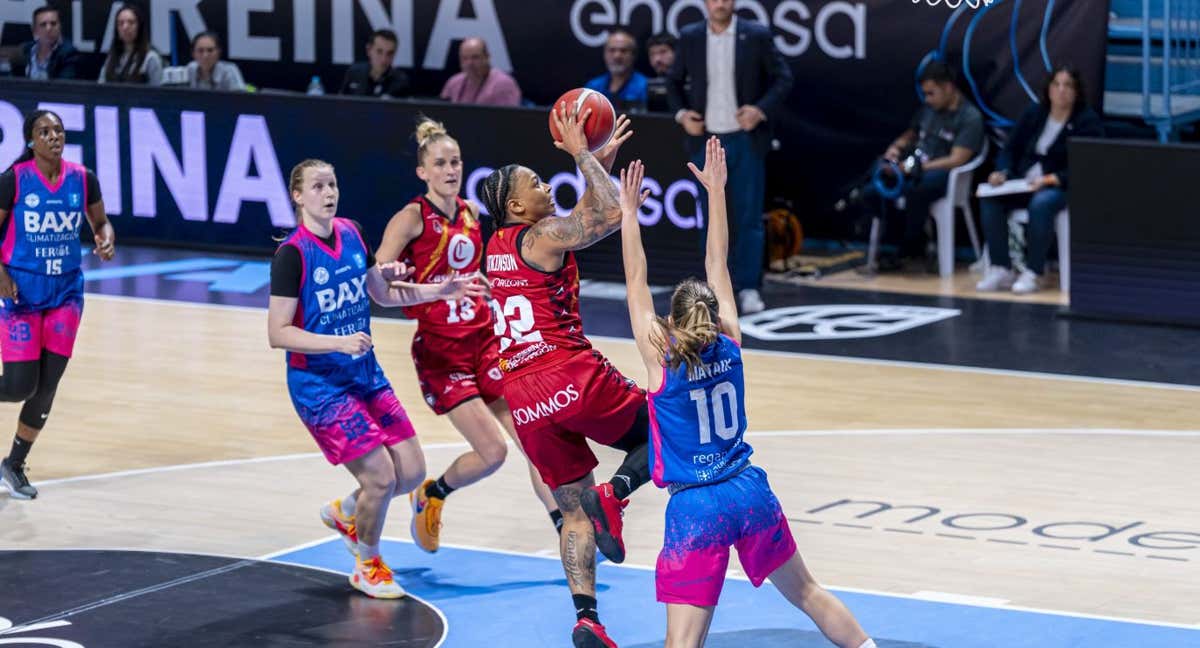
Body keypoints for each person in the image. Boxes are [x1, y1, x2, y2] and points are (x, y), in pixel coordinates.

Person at [619, 136, 876, 648]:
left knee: (683, 643)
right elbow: (719, 261)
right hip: (748, 490)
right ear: (714, 316)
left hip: (696, 507)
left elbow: (635, 278)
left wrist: (630, 213)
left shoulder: (660, 356)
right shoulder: (732, 342)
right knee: (807, 592)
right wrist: (717, 190)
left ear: (672, 320)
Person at [267, 158, 487, 598]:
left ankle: (348, 512)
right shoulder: (292, 253)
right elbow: (278, 333)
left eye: (332, 184)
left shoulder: (350, 233)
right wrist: (338, 342)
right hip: (321, 385)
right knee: (381, 478)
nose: (328, 193)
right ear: (297, 196)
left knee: (410, 473)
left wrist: (439, 290)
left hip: (364, 373)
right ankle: (367, 563)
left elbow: (382, 293)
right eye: (317, 187)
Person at [480, 106, 651, 648]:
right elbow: (605, 217)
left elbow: (585, 216)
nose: (544, 186)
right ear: (515, 206)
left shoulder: (500, 247)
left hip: (523, 395)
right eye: (535, 184)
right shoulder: (541, 235)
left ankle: (587, 618)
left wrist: (596, 164)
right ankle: (618, 493)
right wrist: (581, 154)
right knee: (670, 424)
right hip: (567, 374)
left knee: (572, 510)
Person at [372, 118, 560, 553]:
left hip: (484, 340)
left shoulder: (472, 214)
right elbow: (379, 287)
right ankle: (432, 494)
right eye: (440, 163)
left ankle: (566, 527)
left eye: (455, 161)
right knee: (493, 453)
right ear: (423, 171)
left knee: (533, 438)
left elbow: (471, 270)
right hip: (443, 353)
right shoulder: (411, 218)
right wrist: (397, 276)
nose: (450, 169)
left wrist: (489, 285)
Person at [0, 110, 116, 500]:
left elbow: (100, 222)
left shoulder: (83, 179)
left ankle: (14, 464)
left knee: (45, 388)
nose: (54, 136)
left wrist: (105, 237)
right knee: (19, 386)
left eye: (59, 130)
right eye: (44, 132)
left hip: (66, 294)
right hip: (22, 296)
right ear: (31, 141)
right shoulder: (14, 180)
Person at [666, 0, 793, 315]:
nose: (720, 3)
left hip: (745, 138)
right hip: (706, 138)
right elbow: (672, 81)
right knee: (710, 218)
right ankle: (713, 289)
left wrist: (760, 110)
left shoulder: (756, 35)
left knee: (749, 217)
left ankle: (749, 286)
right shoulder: (691, 35)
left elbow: (783, 78)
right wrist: (682, 114)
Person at [976, 65, 1103, 294]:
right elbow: (1010, 149)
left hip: (1061, 186)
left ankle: (1034, 271)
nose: (1061, 90)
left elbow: (1089, 163)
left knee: (1042, 203)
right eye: (1057, 84)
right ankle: (1001, 267)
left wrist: (1053, 179)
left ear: (1077, 91)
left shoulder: (1087, 121)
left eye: (1068, 85)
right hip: (1024, 181)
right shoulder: (1034, 113)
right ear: (1048, 89)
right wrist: (1002, 172)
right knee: (990, 198)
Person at [859, 61, 984, 270]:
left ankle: (910, 246)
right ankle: (891, 245)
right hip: (911, 168)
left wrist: (916, 169)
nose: (927, 99)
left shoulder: (970, 117)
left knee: (913, 190)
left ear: (948, 87)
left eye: (931, 93)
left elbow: (958, 159)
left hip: (943, 175)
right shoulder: (928, 110)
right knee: (872, 191)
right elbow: (912, 133)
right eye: (925, 94)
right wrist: (896, 148)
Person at [439, 37, 522, 107]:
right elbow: (442, 115)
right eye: (464, 58)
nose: (469, 63)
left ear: (487, 57)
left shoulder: (504, 84)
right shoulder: (453, 82)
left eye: (475, 57)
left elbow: (508, 121)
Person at [585, 28, 648, 112]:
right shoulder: (593, 86)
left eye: (623, 51)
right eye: (612, 50)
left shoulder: (645, 86)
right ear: (605, 54)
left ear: (633, 55)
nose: (617, 56)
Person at [98, 3, 162, 85]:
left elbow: (158, 94)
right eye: (121, 23)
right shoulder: (111, 58)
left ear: (139, 27)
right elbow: (100, 88)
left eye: (131, 22)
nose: (125, 27)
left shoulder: (150, 58)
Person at [339, 29, 410, 99]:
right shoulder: (354, 73)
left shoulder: (400, 82)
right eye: (379, 52)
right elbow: (340, 104)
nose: (384, 59)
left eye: (390, 53)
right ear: (368, 50)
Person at [18, 6, 80, 80]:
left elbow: (64, 87)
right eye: (43, 24)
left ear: (60, 27)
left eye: (53, 24)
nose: (48, 29)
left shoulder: (69, 53)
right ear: (34, 29)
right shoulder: (27, 49)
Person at [645, 32, 677, 113]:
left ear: (677, 53)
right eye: (652, 54)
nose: (657, 59)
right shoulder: (646, 84)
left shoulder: (692, 83)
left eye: (663, 52)